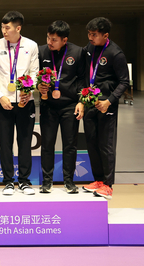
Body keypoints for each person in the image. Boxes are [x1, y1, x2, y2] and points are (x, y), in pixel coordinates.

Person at [0, 11, 38, 195]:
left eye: (7, 27)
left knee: (25, 143)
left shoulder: (31, 46)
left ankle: (24, 181)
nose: (4, 31)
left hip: (25, 103)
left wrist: (28, 90)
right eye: (2, 27)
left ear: (18, 28)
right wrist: (0, 96)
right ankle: (8, 181)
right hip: (4, 103)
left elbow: (34, 72)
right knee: (5, 143)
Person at [81, 17, 129, 200]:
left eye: (94, 35)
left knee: (106, 145)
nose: (90, 37)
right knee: (92, 143)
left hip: (106, 105)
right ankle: (98, 180)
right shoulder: (89, 49)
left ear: (105, 35)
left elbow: (124, 81)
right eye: (89, 34)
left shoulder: (116, 53)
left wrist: (109, 100)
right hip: (90, 102)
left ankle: (108, 185)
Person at [37, 21, 86, 194]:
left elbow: (82, 79)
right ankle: (47, 181)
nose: (50, 42)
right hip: (48, 105)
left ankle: (69, 181)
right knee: (47, 144)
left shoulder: (78, 52)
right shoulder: (42, 51)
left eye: (54, 39)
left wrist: (81, 101)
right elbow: (35, 76)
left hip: (70, 105)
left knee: (70, 145)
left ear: (64, 40)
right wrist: (38, 87)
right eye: (48, 38)